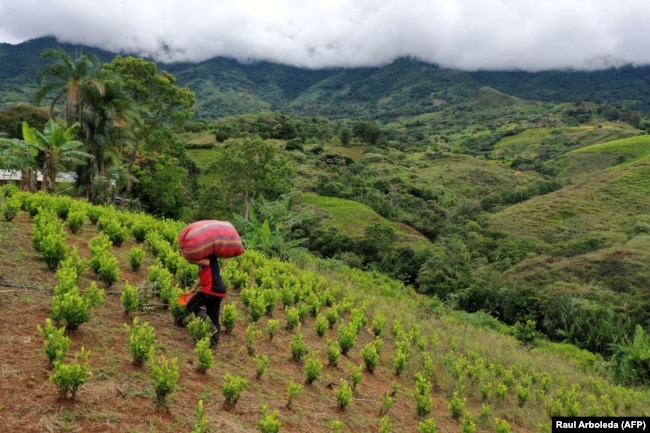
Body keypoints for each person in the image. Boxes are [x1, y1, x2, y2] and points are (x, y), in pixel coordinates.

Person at [185, 254, 227, 348]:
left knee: (191, 306)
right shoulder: (209, 262)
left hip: (211, 288)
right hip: (219, 289)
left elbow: (205, 262)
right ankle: (213, 344)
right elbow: (204, 276)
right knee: (213, 315)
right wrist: (195, 287)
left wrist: (189, 258)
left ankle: (210, 326)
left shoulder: (210, 257)